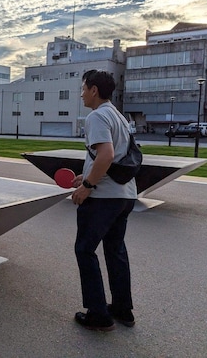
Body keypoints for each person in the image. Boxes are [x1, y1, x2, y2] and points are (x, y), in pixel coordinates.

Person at [70, 70, 138, 331]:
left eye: (84, 88)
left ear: (94, 90)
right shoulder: (118, 116)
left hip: (103, 198)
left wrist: (87, 186)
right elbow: (113, 155)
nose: (82, 94)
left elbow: (107, 155)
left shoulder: (96, 116)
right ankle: (122, 309)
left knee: (85, 250)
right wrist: (85, 174)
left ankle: (98, 315)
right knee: (115, 250)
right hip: (124, 196)